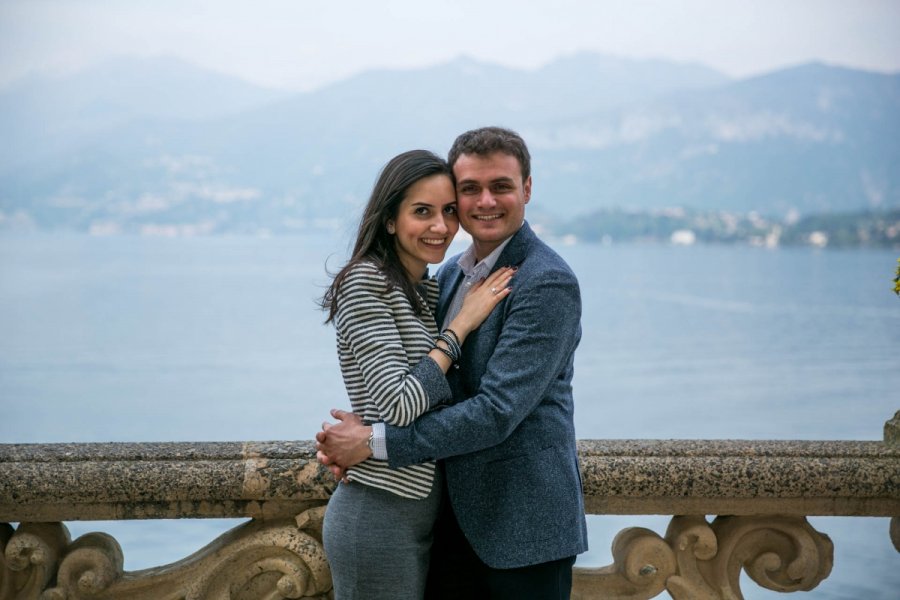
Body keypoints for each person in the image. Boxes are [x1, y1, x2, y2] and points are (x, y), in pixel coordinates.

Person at [317, 127, 588, 599]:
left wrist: (376, 441)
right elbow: (417, 384)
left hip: (521, 529)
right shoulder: (444, 279)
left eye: (500, 186)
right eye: (469, 190)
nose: (485, 201)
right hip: (447, 522)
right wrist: (370, 423)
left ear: (526, 188)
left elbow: (496, 411)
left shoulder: (546, 282)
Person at [319, 148, 515, 600]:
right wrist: (460, 327)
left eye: (448, 211)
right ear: (390, 219)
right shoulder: (366, 281)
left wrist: (358, 436)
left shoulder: (425, 287)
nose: (441, 227)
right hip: (378, 513)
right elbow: (398, 404)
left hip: (416, 513)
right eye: (422, 212)